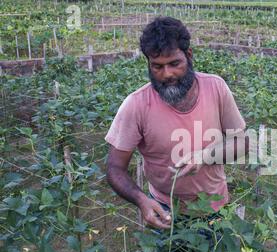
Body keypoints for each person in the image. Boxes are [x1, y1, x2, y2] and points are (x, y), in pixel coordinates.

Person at [104, 16, 248, 231]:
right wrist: (141, 200)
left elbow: (242, 143)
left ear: (189, 56)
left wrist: (205, 157)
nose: (167, 74)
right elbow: (115, 167)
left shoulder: (216, 88)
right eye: (157, 67)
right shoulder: (136, 105)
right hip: (165, 211)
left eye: (174, 64)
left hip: (216, 208)